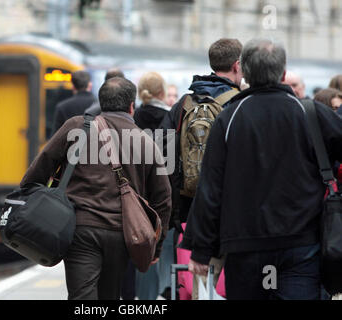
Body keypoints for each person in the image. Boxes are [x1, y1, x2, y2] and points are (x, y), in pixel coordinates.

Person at [180, 38, 342, 300]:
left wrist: (201, 250)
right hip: (301, 244)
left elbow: (211, 187)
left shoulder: (230, 117)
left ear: (245, 72)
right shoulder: (310, 113)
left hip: (245, 246)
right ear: (284, 73)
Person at [20, 77, 172, 300]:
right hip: (121, 233)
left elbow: (37, 172)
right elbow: (164, 198)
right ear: (132, 106)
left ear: (101, 102)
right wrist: (154, 248)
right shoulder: (145, 140)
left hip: (80, 229)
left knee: (82, 297)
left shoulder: (75, 127)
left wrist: (35, 206)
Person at [160, 37, 243, 235]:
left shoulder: (184, 103)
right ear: (237, 65)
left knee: (189, 263)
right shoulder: (240, 104)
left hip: (188, 206)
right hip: (229, 207)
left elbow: (163, 152)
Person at [132, 71, 173, 300]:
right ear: (162, 92)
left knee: (143, 255)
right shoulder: (173, 117)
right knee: (165, 250)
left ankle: (145, 300)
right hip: (166, 192)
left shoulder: (133, 118)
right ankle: (167, 292)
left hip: (137, 198)